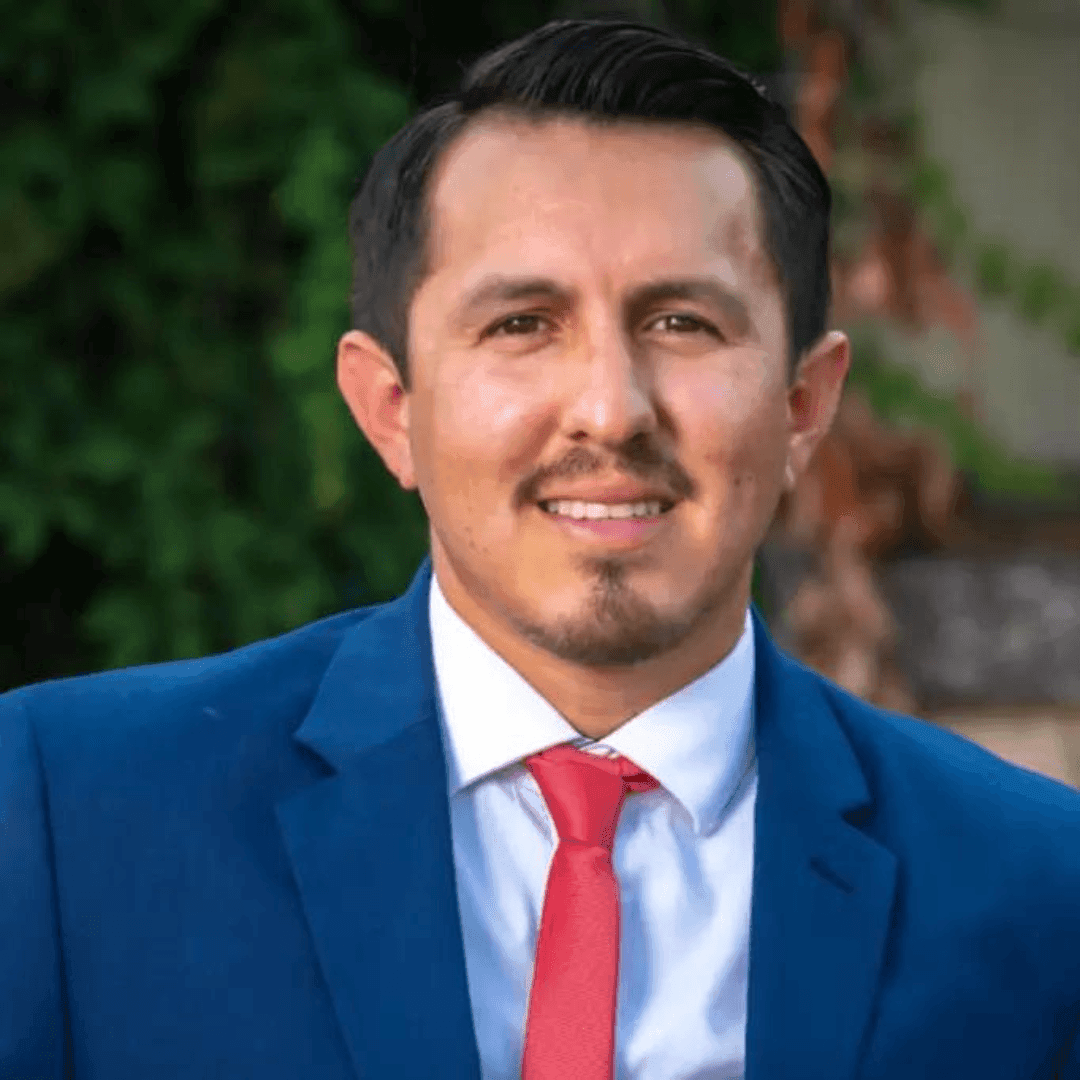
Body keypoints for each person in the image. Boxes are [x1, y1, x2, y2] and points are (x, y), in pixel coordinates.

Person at [1, 17, 1077, 1080]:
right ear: (390, 409)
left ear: (803, 406)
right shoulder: (67, 814)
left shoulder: (1040, 885)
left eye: (683, 323)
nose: (611, 412)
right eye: (522, 323)